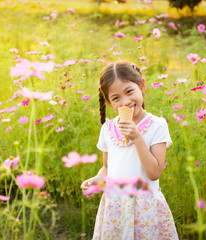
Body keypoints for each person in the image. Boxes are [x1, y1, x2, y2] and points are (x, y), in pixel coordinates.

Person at [81, 60, 178, 239]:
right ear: (109, 102)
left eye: (129, 91)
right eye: (116, 98)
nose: (125, 101)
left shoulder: (157, 125)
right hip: (115, 206)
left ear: (142, 86)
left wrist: (137, 138)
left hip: (145, 207)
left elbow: (154, 172)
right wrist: (96, 180)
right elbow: (107, 168)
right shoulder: (108, 129)